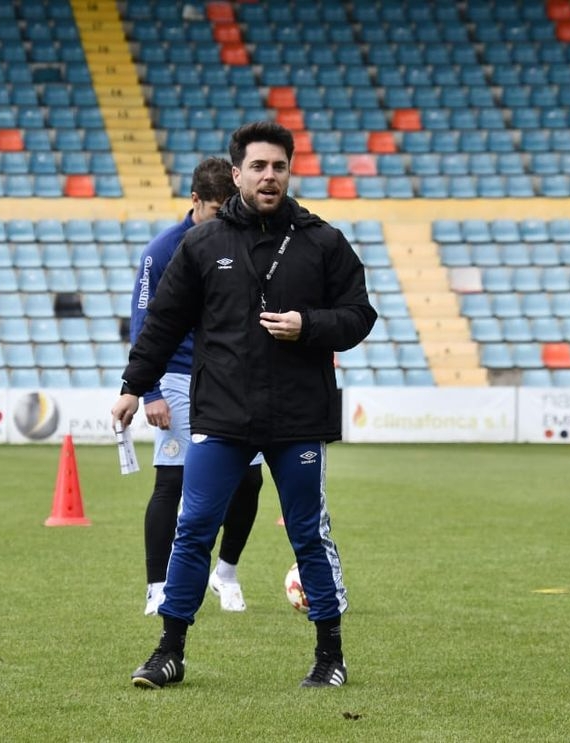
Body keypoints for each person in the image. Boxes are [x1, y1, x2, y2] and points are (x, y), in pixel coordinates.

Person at [112, 121, 378, 689]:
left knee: (308, 533)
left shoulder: (322, 240)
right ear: (236, 175)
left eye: (278, 166)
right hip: (224, 416)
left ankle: (330, 656)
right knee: (194, 529)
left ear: (289, 172)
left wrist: (309, 325)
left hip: (298, 418)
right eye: (257, 166)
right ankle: (169, 651)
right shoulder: (203, 244)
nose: (269, 176)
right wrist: (135, 385)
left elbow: (360, 315)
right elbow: (163, 323)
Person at [130, 157, 264, 616]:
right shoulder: (162, 251)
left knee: (249, 480)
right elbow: (144, 322)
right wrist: (148, 391)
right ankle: (157, 587)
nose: (220, 219)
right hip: (178, 376)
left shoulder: (245, 240)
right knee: (172, 480)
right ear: (194, 202)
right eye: (213, 210)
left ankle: (225, 573)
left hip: (233, 378)